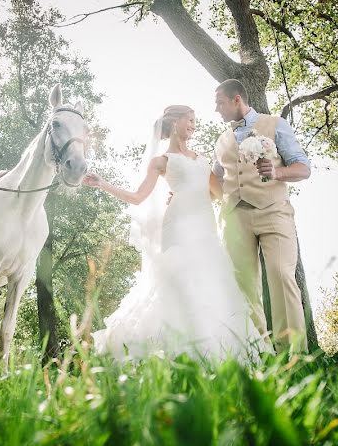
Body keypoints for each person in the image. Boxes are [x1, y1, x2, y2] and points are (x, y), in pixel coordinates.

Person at [82, 105, 268, 361]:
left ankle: (216, 351)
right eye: (190, 119)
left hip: (204, 226)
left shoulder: (202, 159)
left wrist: (251, 165)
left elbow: (219, 193)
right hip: (177, 225)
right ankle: (172, 350)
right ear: (174, 123)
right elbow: (137, 197)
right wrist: (102, 184)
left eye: (194, 120)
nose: (193, 124)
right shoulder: (160, 162)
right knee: (180, 279)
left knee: (212, 280)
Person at [213, 79, 311, 352]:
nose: (216, 109)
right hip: (234, 218)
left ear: (236, 100)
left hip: (274, 211)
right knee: (243, 286)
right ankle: (259, 353)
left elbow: (303, 168)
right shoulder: (220, 142)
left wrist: (277, 172)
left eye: (219, 102)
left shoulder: (275, 124)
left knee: (281, 275)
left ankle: (293, 355)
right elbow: (214, 182)